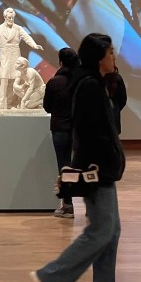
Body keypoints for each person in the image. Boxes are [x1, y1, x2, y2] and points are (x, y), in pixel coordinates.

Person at [31, 33, 133, 282]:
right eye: (111, 52)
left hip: (103, 169)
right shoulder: (88, 86)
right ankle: (50, 277)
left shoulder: (96, 83)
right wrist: (92, 166)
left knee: (110, 231)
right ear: (99, 57)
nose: (115, 57)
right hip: (97, 170)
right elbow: (88, 133)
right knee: (101, 231)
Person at [0, 7, 43, 109]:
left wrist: (34, 45)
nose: (11, 19)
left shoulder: (18, 28)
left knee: (16, 79)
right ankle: (1, 103)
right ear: (5, 17)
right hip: (5, 56)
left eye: (12, 18)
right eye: (9, 17)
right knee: (4, 80)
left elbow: (26, 37)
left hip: (15, 56)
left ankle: (13, 102)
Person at [43, 47, 80, 218]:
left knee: (63, 165)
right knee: (77, 165)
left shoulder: (54, 82)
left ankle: (67, 205)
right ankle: (86, 205)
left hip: (59, 128)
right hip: (78, 129)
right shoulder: (81, 82)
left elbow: (47, 107)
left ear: (61, 62)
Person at [104, 66, 127, 136]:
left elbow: (123, 99)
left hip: (113, 114)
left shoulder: (117, 78)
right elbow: (123, 99)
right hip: (113, 113)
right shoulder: (93, 79)